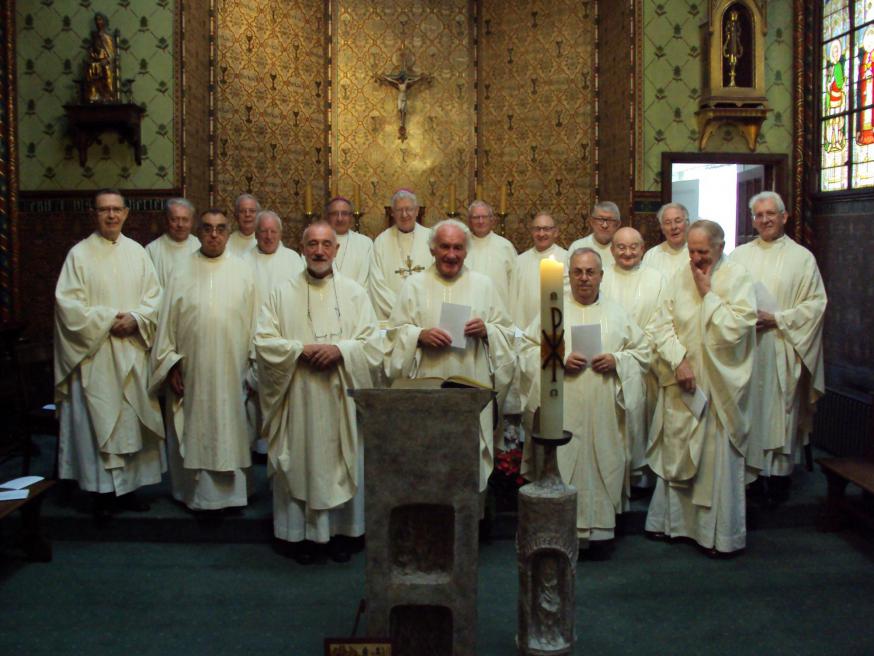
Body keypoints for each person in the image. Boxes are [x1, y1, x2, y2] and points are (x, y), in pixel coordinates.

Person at [254, 222, 382, 564]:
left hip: (341, 396)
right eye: (313, 244)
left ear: (337, 250)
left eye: (327, 244)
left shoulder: (355, 293)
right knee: (300, 460)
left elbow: (374, 345)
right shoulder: (281, 293)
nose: (320, 250)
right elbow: (263, 342)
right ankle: (300, 535)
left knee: (341, 459)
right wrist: (299, 350)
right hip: (298, 395)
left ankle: (343, 532)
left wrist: (342, 351)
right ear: (302, 248)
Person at [519, 248, 649, 559]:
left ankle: (601, 533)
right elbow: (525, 351)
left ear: (601, 276)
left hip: (604, 408)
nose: (584, 278)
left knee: (602, 458)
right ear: (569, 276)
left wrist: (617, 360)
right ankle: (564, 531)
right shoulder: (553, 312)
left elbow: (643, 353)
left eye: (590, 272)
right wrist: (558, 359)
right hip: (564, 405)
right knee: (566, 460)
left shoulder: (617, 314)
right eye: (577, 271)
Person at [645, 220, 756, 557]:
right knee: (677, 451)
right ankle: (675, 526)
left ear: (720, 247)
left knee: (714, 461)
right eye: (691, 251)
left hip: (718, 387)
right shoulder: (681, 275)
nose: (695, 259)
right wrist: (678, 360)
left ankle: (717, 537)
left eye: (702, 252)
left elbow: (736, 330)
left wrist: (709, 293)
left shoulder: (738, 278)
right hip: (683, 383)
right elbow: (659, 324)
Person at [384, 219, 515, 496]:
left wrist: (487, 330)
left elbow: (508, 333)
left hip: (472, 385)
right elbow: (393, 335)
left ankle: (470, 527)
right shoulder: (414, 285)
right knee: (429, 456)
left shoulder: (484, 285)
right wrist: (418, 336)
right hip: (427, 389)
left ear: (467, 252)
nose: (451, 254)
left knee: (467, 459)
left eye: (458, 247)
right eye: (444, 247)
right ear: (432, 250)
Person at [54, 189, 164, 515]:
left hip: (131, 352)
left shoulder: (138, 253)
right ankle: (100, 494)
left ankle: (129, 491)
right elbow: (67, 306)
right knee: (99, 422)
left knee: (129, 421)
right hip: (96, 356)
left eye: (117, 209)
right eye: (105, 210)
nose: (111, 216)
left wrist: (137, 318)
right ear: (95, 214)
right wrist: (106, 321)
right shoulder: (79, 255)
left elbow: (154, 298)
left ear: (127, 213)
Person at [150, 208, 256, 511]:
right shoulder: (181, 271)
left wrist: (253, 370)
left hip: (233, 370)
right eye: (207, 228)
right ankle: (193, 495)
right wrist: (171, 365)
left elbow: (256, 325)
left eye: (220, 228)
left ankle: (232, 496)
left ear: (228, 232)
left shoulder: (243, 271)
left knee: (230, 426)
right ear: (199, 232)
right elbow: (166, 325)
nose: (213, 234)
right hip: (192, 371)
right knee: (194, 428)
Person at [730, 192, 826, 504]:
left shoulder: (802, 258)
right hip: (748, 348)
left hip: (784, 347)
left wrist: (779, 318)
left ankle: (779, 480)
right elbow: (724, 298)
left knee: (780, 412)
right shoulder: (739, 256)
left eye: (771, 213)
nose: (765, 220)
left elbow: (816, 305)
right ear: (753, 220)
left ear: (784, 217)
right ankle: (751, 481)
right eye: (758, 215)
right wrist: (744, 317)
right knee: (750, 412)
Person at [601, 227, 666, 491]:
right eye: (621, 247)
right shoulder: (601, 276)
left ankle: (640, 477)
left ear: (643, 247)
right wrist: (614, 352)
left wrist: (636, 352)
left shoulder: (657, 278)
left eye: (634, 247)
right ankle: (613, 477)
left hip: (644, 364)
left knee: (640, 421)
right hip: (607, 364)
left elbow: (662, 319)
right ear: (612, 249)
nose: (627, 252)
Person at [244, 210, 304, 455]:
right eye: (263, 231)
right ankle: (254, 450)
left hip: (284, 342)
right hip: (252, 342)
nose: (268, 236)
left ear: (281, 233)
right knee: (252, 401)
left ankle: (280, 449)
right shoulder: (242, 261)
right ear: (255, 234)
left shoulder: (293, 260)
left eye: (273, 231)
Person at [369, 189, 432, 322]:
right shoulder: (381, 242)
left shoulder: (432, 239)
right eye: (399, 210)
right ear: (392, 213)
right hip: (392, 319)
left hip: (426, 316)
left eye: (409, 209)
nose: (404, 215)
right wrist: (402, 312)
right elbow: (377, 286)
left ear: (416, 211)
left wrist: (423, 311)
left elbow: (438, 281)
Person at [510, 212, 569, 331]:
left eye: (546, 229)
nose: (541, 234)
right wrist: (514, 332)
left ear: (555, 232)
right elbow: (513, 299)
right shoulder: (519, 261)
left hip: (555, 328)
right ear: (531, 232)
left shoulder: (566, 259)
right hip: (524, 327)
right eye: (537, 229)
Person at [464, 200, 517, 312]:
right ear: (469, 221)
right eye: (476, 217)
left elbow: (515, 285)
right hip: (466, 311)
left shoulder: (505, 247)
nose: (481, 221)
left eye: (484, 217)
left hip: (497, 313)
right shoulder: (460, 245)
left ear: (492, 220)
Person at [145, 197, 201, 287]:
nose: (180, 225)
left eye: (185, 220)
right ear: (167, 220)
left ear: (192, 222)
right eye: (174, 219)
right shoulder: (152, 250)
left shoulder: (200, 246)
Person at [325, 196, 373, 287]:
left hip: (356, 299)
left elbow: (366, 280)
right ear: (327, 217)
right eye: (334, 214)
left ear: (351, 217)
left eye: (344, 214)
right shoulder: (317, 243)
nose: (340, 219)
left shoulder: (365, 243)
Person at [641, 202, 691, 279]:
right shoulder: (651, 255)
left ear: (687, 223)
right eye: (668, 223)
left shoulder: (698, 253)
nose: (673, 227)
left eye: (678, 221)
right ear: (662, 229)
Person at [567, 201, 621, 269]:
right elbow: (568, 277)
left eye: (610, 220)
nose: (604, 225)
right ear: (592, 222)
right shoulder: (578, 246)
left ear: (618, 224)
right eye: (600, 219)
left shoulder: (624, 249)